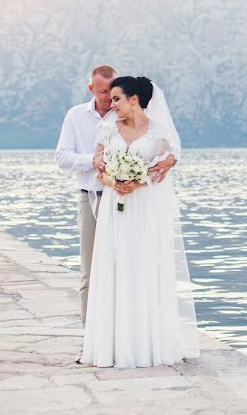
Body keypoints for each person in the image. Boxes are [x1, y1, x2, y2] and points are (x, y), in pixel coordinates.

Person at [79, 76, 198, 367]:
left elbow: (163, 168)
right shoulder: (108, 128)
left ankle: (146, 343)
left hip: (144, 207)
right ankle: (111, 344)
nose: (112, 104)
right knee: (114, 266)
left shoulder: (158, 133)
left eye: (117, 99)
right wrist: (114, 181)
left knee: (144, 266)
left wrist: (137, 182)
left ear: (134, 100)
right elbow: (99, 167)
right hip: (114, 204)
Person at [55, 65, 176, 326]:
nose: (110, 101)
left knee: (129, 266)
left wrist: (148, 172)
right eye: (104, 94)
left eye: (115, 95)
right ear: (91, 89)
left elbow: (168, 151)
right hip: (92, 196)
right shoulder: (77, 117)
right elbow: (62, 157)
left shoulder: (135, 121)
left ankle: (128, 327)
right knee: (92, 270)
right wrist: (95, 161)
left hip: (131, 201)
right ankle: (92, 333)